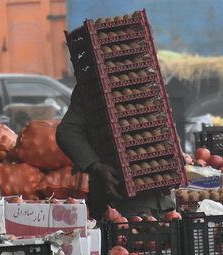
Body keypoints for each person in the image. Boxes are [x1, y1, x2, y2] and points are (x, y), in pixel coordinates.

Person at [56, 85, 175, 220]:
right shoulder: (93, 86)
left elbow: (164, 127)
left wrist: (176, 157)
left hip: (162, 201)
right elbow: (67, 132)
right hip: (122, 203)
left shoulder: (150, 84)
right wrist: (96, 165)